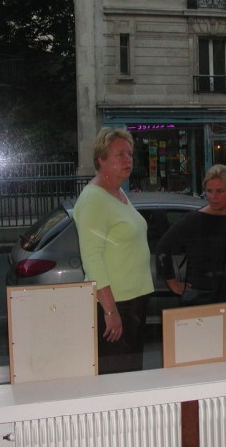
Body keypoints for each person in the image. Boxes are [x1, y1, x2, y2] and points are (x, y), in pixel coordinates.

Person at [155, 164, 226, 359]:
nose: (213, 196)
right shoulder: (194, 220)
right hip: (202, 298)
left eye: (219, 191)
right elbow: (163, 248)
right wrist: (173, 284)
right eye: (209, 191)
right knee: (202, 357)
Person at [74, 127, 154, 374]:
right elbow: (92, 259)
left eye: (130, 154)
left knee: (131, 374)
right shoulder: (94, 199)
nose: (128, 159)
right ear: (101, 159)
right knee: (118, 378)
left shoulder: (118, 194)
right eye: (120, 154)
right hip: (117, 303)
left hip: (134, 300)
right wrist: (110, 310)